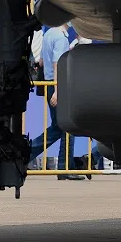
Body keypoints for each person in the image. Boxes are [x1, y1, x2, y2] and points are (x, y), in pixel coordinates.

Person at [29, 23, 84, 180]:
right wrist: (58, 91)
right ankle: (64, 167)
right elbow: (57, 64)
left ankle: (29, 153)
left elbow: (41, 62)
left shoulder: (49, 34)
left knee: (57, 127)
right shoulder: (60, 38)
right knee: (68, 126)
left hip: (49, 84)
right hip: (57, 86)